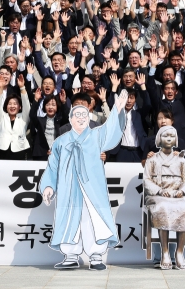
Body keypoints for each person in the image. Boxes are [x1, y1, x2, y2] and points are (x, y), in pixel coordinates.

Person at [39, 91, 129, 271]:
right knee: (69, 219)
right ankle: (71, 255)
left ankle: (96, 256)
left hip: (92, 189)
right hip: (69, 189)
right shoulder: (60, 141)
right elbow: (53, 166)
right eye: (76, 115)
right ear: (70, 119)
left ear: (89, 117)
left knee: (93, 220)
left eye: (83, 115)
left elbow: (111, 131)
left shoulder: (97, 135)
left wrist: (118, 111)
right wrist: (48, 186)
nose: (80, 118)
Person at [144, 125, 185, 270]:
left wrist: (182, 191)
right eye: (165, 135)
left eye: (172, 136)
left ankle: (179, 252)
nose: (168, 138)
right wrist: (159, 191)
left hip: (177, 195)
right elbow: (147, 180)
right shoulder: (152, 159)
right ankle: (165, 252)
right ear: (159, 138)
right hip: (158, 195)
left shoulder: (180, 160)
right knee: (163, 208)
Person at [0, 74, 30, 160]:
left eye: (15, 104)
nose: (12, 106)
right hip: (2, 150)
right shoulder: (2, 117)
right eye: (9, 104)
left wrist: (22, 87)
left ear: (20, 107)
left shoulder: (23, 118)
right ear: (6, 107)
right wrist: (0, 88)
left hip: (19, 150)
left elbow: (27, 105)